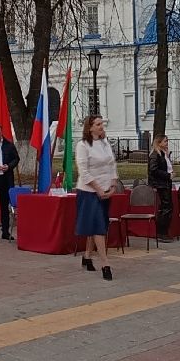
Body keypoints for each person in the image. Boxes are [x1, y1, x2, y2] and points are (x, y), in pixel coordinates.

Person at [75, 114, 119, 279]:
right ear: (90, 127)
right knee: (98, 226)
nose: (101, 126)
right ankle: (105, 264)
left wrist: (113, 185)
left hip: (106, 189)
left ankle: (87, 256)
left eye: (102, 124)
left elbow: (111, 164)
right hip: (89, 192)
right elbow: (83, 171)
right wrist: (98, 189)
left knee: (96, 225)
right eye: (98, 124)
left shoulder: (105, 143)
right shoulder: (83, 145)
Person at [147, 135, 175, 242]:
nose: (167, 143)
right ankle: (161, 232)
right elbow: (153, 170)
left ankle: (163, 231)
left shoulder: (163, 154)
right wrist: (167, 175)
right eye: (165, 141)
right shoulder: (155, 155)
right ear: (159, 143)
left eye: (167, 141)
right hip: (161, 184)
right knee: (166, 208)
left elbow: (167, 166)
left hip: (165, 183)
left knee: (167, 207)